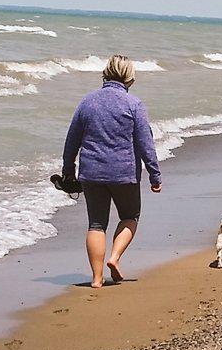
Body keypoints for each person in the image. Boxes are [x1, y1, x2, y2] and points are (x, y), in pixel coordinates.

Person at [61, 55, 162, 288]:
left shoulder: (87, 102)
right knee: (130, 216)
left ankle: (96, 278)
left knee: (96, 224)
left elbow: (71, 140)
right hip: (124, 173)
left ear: (105, 73)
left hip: (91, 172)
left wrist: (68, 170)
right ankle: (114, 257)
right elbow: (145, 144)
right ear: (130, 78)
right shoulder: (134, 105)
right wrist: (154, 174)